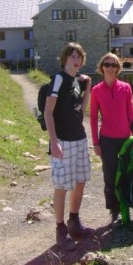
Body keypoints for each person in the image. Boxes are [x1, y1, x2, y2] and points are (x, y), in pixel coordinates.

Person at [43, 42, 95, 247]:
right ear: (65, 59)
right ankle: (60, 230)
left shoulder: (75, 82)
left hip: (80, 139)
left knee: (80, 181)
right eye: (72, 56)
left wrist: (87, 89)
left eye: (79, 57)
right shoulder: (58, 79)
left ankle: (75, 222)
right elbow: (48, 112)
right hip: (63, 141)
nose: (76, 60)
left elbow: (80, 111)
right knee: (62, 186)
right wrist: (54, 141)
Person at [90, 52, 133, 225]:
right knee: (110, 176)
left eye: (114, 65)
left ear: (118, 68)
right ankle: (114, 210)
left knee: (130, 172)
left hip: (126, 138)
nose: (110, 68)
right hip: (107, 140)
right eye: (107, 65)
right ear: (102, 68)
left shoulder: (125, 88)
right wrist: (95, 143)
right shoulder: (96, 91)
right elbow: (93, 118)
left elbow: (131, 114)